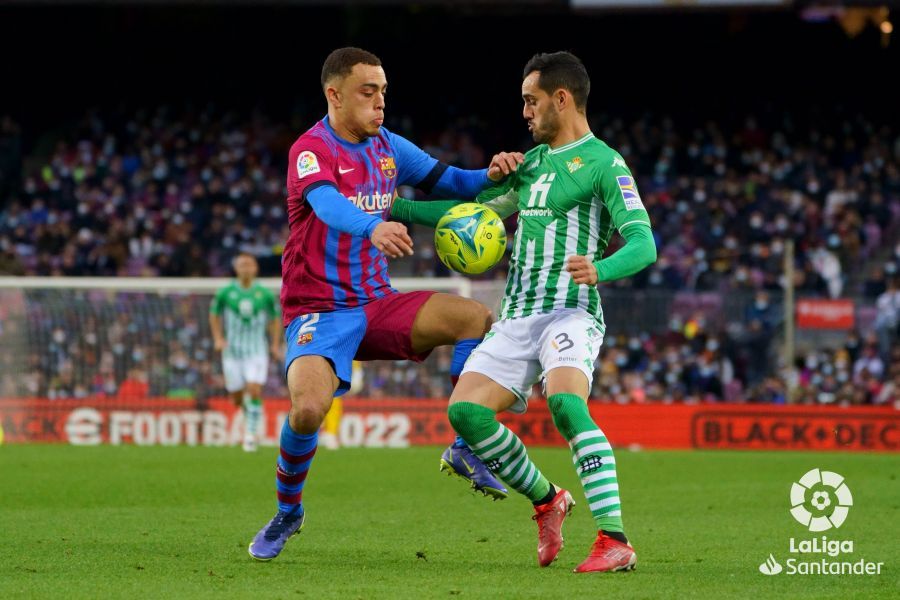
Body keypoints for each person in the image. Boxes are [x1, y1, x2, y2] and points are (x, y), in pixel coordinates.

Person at [248, 47, 523, 560]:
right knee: (308, 410)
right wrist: (373, 226)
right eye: (367, 92)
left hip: (377, 302)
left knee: (474, 317)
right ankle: (289, 512)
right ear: (334, 94)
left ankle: (465, 445)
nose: (380, 103)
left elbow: (455, 182)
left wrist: (492, 174)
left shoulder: (388, 146)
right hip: (320, 310)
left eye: (383, 92)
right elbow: (327, 205)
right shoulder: (311, 150)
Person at [393, 51, 657, 572]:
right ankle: (548, 500)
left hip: (570, 312)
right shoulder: (529, 166)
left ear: (562, 99)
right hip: (516, 316)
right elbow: (467, 214)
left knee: (565, 404)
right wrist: (393, 207)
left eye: (531, 101)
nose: (525, 113)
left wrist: (601, 269)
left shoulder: (605, 163)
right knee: (464, 413)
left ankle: (614, 538)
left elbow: (643, 243)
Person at [209, 253, 281, 452]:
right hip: (232, 352)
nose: (246, 268)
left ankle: (250, 435)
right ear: (236, 268)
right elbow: (214, 314)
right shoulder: (226, 292)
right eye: (242, 265)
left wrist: (275, 344)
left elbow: (275, 319)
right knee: (237, 397)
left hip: (257, 350)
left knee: (254, 389)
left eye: (249, 264)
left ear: (255, 268)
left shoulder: (264, 293)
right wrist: (218, 338)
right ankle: (252, 414)